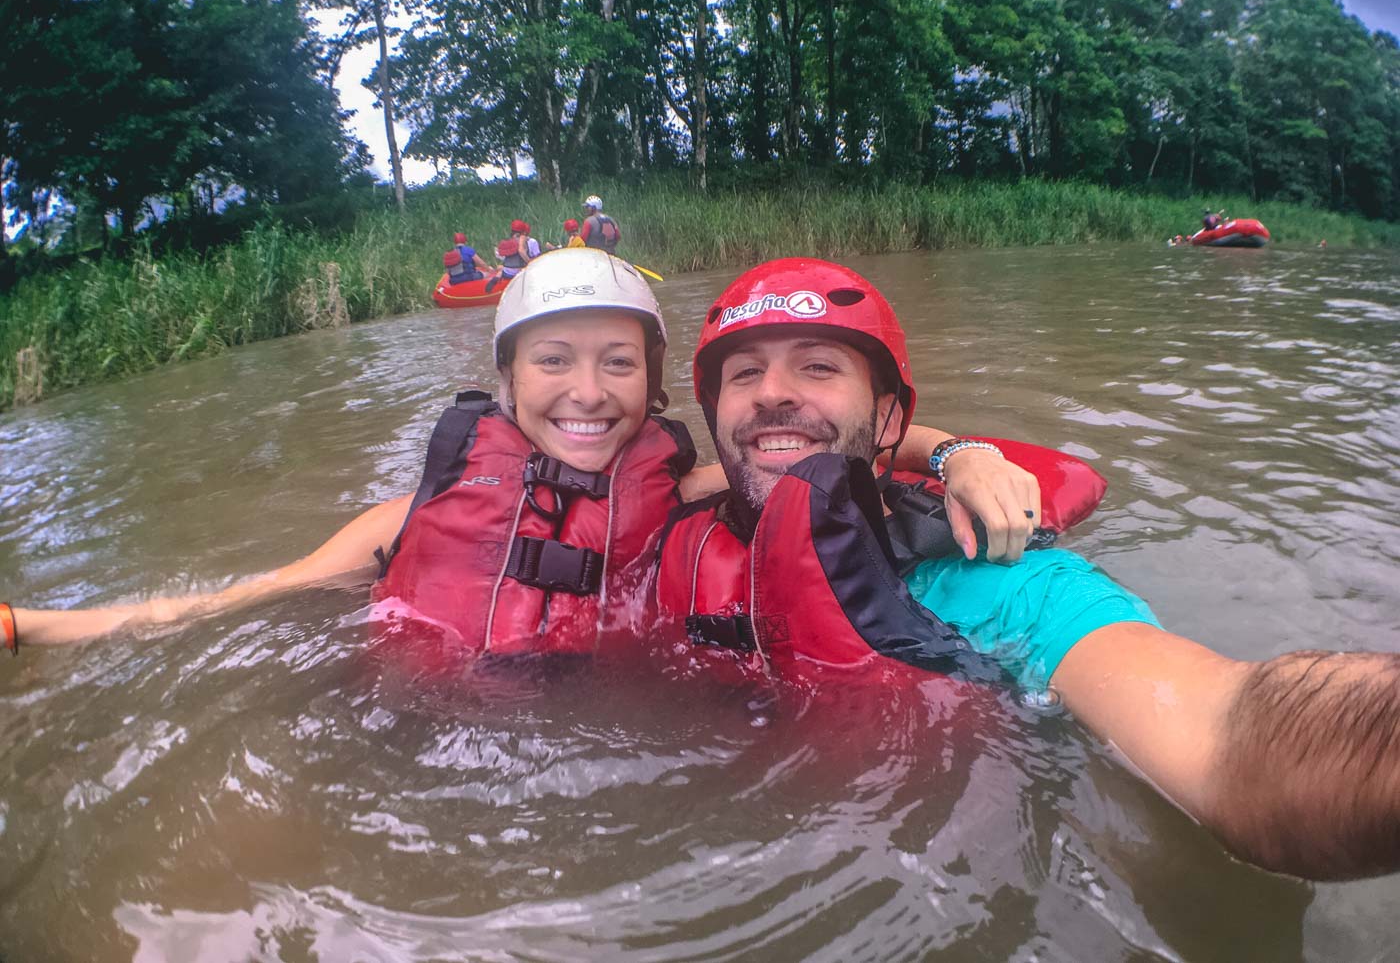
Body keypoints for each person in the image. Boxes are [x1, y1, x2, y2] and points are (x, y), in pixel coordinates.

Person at [656, 256, 1400, 883]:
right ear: (717, 415)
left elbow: (1224, 732)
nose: (772, 393)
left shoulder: (1005, 588)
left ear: (887, 419)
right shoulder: (669, 528)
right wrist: (955, 449)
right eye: (744, 373)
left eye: (817, 367)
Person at [5, 250, 1037, 655]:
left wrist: (963, 456)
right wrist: (27, 625)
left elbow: (823, 454)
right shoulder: (408, 524)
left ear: (657, 388)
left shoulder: (685, 484)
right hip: (415, 757)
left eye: (616, 366)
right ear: (503, 384)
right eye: (552, 361)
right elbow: (213, 605)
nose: (586, 393)